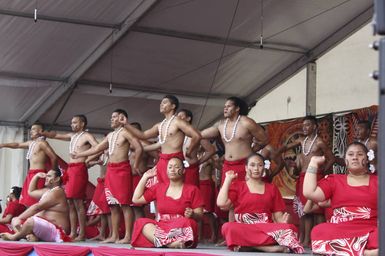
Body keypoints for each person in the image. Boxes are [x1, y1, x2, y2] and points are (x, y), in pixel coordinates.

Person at [72, 109, 143, 244]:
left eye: (115, 117)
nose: (111, 119)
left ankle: (127, 236)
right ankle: (114, 235)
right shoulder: (110, 135)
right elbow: (97, 148)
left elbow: (139, 147)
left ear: (122, 118)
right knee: (112, 204)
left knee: (124, 204)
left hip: (122, 169)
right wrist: (80, 155)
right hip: (110, 170)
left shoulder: (127, 133)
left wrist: (136, 165)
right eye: (111, 116)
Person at [217, 153, 304, 253]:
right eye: (252, 165)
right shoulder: (238, 185)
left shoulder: (272, 188)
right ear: (246, 168)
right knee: (228, 227)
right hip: (244, 227)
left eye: (260, 165)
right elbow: (221, 203)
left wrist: (285, 222)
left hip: (265, 228)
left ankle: (247, 246)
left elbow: (279, 217)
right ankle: (265, 247)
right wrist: (227, 180)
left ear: (264, 168)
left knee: (290, 228)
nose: (256, 169)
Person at [303, 142, 378, 256]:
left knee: (380, 236)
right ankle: (365, 253)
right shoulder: (335, 180)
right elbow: (309, 192)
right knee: (319, 231)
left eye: (359, 154)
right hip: (339, 229)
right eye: (351, 154)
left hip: (369, 229)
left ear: (367, 159)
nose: (355, 157)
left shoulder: (378, 181)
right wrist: (313, 163)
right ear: (345, 160)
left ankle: (341, 251)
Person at [41, 114, 99, 241]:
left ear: (82, 123)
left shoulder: (87, 136)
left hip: (79, 169)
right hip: (70, 170)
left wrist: (87, 158)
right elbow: (56, 135)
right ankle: (73, 232)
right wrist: (44, 132)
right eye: (72, 123)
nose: (72, 125)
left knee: (78, 202)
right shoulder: (72, 136)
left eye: (75, 122)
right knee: (70, 202)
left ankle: (82, 233)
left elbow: (98, 148)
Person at [123, 95, 201, 185]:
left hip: (175, 161)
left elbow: (197, 136)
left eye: (164, 102)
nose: (161, 104)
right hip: (162, 161)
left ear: (173, 106)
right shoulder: (159, 125)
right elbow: (143, 135)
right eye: (161, 103)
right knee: (161, 188)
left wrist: (189, 151)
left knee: (173, 188)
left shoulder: (178, 122)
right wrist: (126, 124)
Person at [282, 115, 335, 247]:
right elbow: (285, 147)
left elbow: (332, 159)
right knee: (303, 210)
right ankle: (304, 239)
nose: (304, 128)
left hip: (316, 177)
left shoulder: (319, 142)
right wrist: (278, 153)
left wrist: (321, 172)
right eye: (303, 125)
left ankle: (317, 240)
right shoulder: (301, 141)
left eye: (307, 125)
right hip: (302, 177)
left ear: (315, 127)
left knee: (317, 211)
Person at [131, 157, 204, 248]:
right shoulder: (159, 187)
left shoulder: (193, 190)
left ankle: (161, 242)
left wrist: (193, 215)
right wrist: (145, 177)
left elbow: (200, 215)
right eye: (170, 167)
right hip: (162, 227)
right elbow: (136, 199)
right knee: (141, 222)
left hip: (180, 226)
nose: (172, 170)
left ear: (184, 170)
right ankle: (170, 244)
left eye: (176, 167)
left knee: (187, 222)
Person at [201, 97, 268, 184]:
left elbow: (264, 140)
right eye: (225, 106)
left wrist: (252, 151)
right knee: (227, 194)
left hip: (243, 164)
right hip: (227, 165)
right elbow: (201, 135)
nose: (225, 108)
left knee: (243, 194)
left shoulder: (246, 122)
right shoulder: (221, 124)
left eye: (229, 106)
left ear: (237, 108)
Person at [0, 169, 70, 242]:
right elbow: (31, 192)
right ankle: (29, 236)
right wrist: (36, 176)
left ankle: (14, 237)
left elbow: (37, 208)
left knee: (30, 221)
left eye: (49, 176)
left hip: (57, 231)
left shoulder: (57, 192)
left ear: (57, 179)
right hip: (45, 227)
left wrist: (20, 218)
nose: (46, 177)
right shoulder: (49, 191)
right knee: (14, 220)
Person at [0, 123, 58, 207]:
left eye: (34, 129)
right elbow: (17, 145)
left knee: (35, 201)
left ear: (40, 131)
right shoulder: (31, 143)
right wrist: (3, 145)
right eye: (31, 129)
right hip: (30, 174)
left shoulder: (43, 143)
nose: (31, 131)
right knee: (26, 201)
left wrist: (52, 173)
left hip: (39, 174)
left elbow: (54, 157)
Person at [177, 109, 216, 186]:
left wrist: (198, 162)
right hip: (178, 168)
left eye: (181, 116)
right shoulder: (177, 134)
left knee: (190, 193)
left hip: (191, 167)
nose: (178, 119)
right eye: (177, 117)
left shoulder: (197, 134)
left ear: (188, 118)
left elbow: (211, 150)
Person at [86, 150, 112, 241]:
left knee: (108, 210)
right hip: (100, 182)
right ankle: (102, 234)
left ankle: (111, 235)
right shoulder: (101, 154)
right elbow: (86, 164)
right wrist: (97, 162)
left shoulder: (114, 153)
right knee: (101, 209)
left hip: (108, 182)